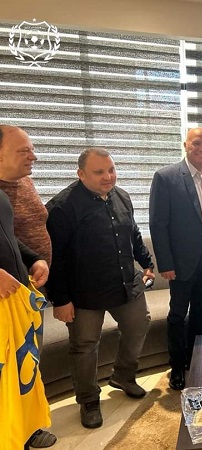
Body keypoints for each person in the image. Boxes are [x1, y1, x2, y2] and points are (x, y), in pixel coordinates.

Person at [45, 148, 155, 429]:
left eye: (111, 170)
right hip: (84, 293)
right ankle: (89, 400)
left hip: (125, 283)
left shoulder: (122, 196)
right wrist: (60, 300)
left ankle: (123, 376)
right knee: (84, 346)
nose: (108, 177)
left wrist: (146, 263)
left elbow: (133, 234)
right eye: (99, 172)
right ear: (81, 174)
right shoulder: (61, 207)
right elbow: (54, 259)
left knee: (139, 324)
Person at [149, 127, 202, 391]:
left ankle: (195, 359)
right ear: (185, 145)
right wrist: (166, 263)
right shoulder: (166, 177)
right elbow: (158, 224)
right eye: (197, 143)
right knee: (177, 314)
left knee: (201, 310)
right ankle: (176, 366)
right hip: (181, 262)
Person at [0, 125, 57, 448]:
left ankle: (25, 428)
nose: (33, 156)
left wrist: (35, 258)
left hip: (22, 297)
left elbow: (9, 238)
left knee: (24, 367)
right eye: (24, 151)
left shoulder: (10, 191)